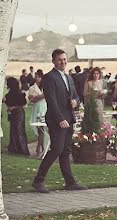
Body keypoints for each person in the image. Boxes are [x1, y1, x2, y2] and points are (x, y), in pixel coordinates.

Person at [33, 49, 86, 193]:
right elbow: (51, 100)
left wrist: (75, 101)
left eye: (64, 59)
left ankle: (70, 182)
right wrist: (60, 119)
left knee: (65, 151)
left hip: (69, 117)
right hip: (57, 119)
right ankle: (38, 181)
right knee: (56, 149)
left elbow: (76, 95)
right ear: (53, 61)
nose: (63, 62)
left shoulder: (68, 77)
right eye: (59, 60)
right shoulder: (49, 77)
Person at [4, 77, 30, 156]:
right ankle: (20, 148)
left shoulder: (9, 95)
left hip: (15, 112)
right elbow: (24, 102)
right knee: (19, 130)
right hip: (19, 112)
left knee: (15, 130)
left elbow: (8, 102)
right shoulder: (20, 93)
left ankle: (16, 148)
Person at [28, 71, 49, 156]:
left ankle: (41, 147)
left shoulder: (45, 87)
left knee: (44, 129)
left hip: (45, 107)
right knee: (40, 129)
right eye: (36, 77)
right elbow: (31, 99)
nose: (37, 78)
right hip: (36, 109)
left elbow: (46, 96)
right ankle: (40, 147)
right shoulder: (32, 88)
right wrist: (39, 97)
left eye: (39, 77)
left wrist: (36, 97)